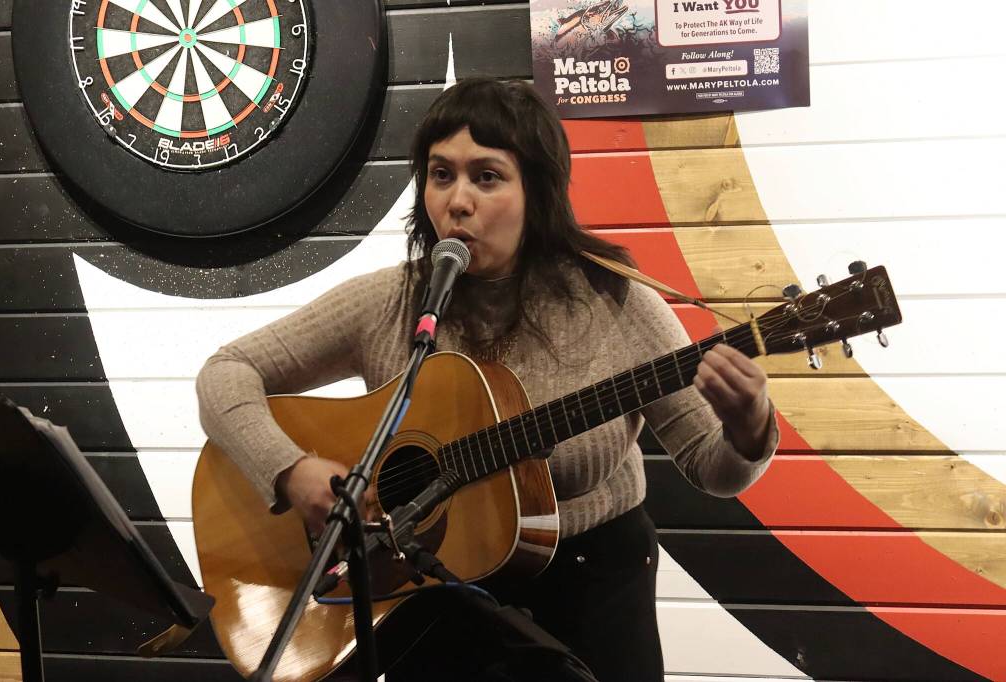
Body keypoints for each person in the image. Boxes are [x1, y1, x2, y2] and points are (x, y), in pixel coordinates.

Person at [196, 77, 777, 682]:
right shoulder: (393, 303)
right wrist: (289, 470)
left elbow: (714, 469)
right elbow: (226, 373)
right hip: (431, 593)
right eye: (441, 174)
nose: (458, 200)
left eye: (487, 176)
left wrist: (749, 426)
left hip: (592, 587)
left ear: (540, 193)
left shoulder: (617, 304)